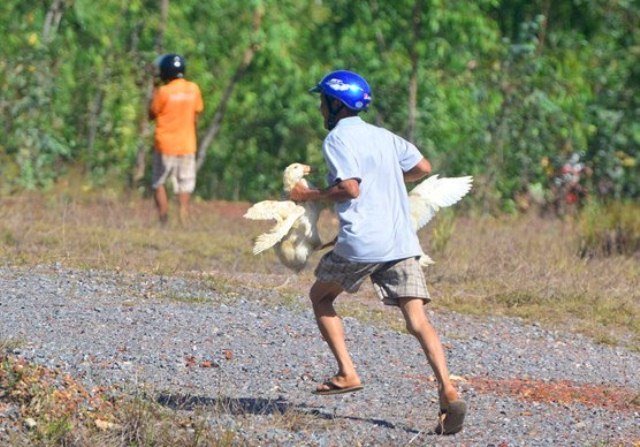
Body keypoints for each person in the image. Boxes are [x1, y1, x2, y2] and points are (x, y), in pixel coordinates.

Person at [289, 70, 467, 435]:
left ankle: (347, 371)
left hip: (362, 243)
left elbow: (350, 189)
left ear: (336, 105)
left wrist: (309, 196)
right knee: (417, 320)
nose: (320, 106)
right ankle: (448, 390)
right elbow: (423, 168)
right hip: (400, 241)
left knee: (320, 297)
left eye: (323, 100)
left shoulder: (337, 139)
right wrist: (387, 179)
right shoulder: (384, 137)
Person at [149, 53, 204, 225]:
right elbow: (196, 115)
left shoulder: (163, 91)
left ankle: (163, 218)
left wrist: (154, 89)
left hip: (165, 144)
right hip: (187, 144)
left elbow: (151, 114)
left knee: (159, 182)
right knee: (185, 183)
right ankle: (183, 214)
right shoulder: (193, 89)